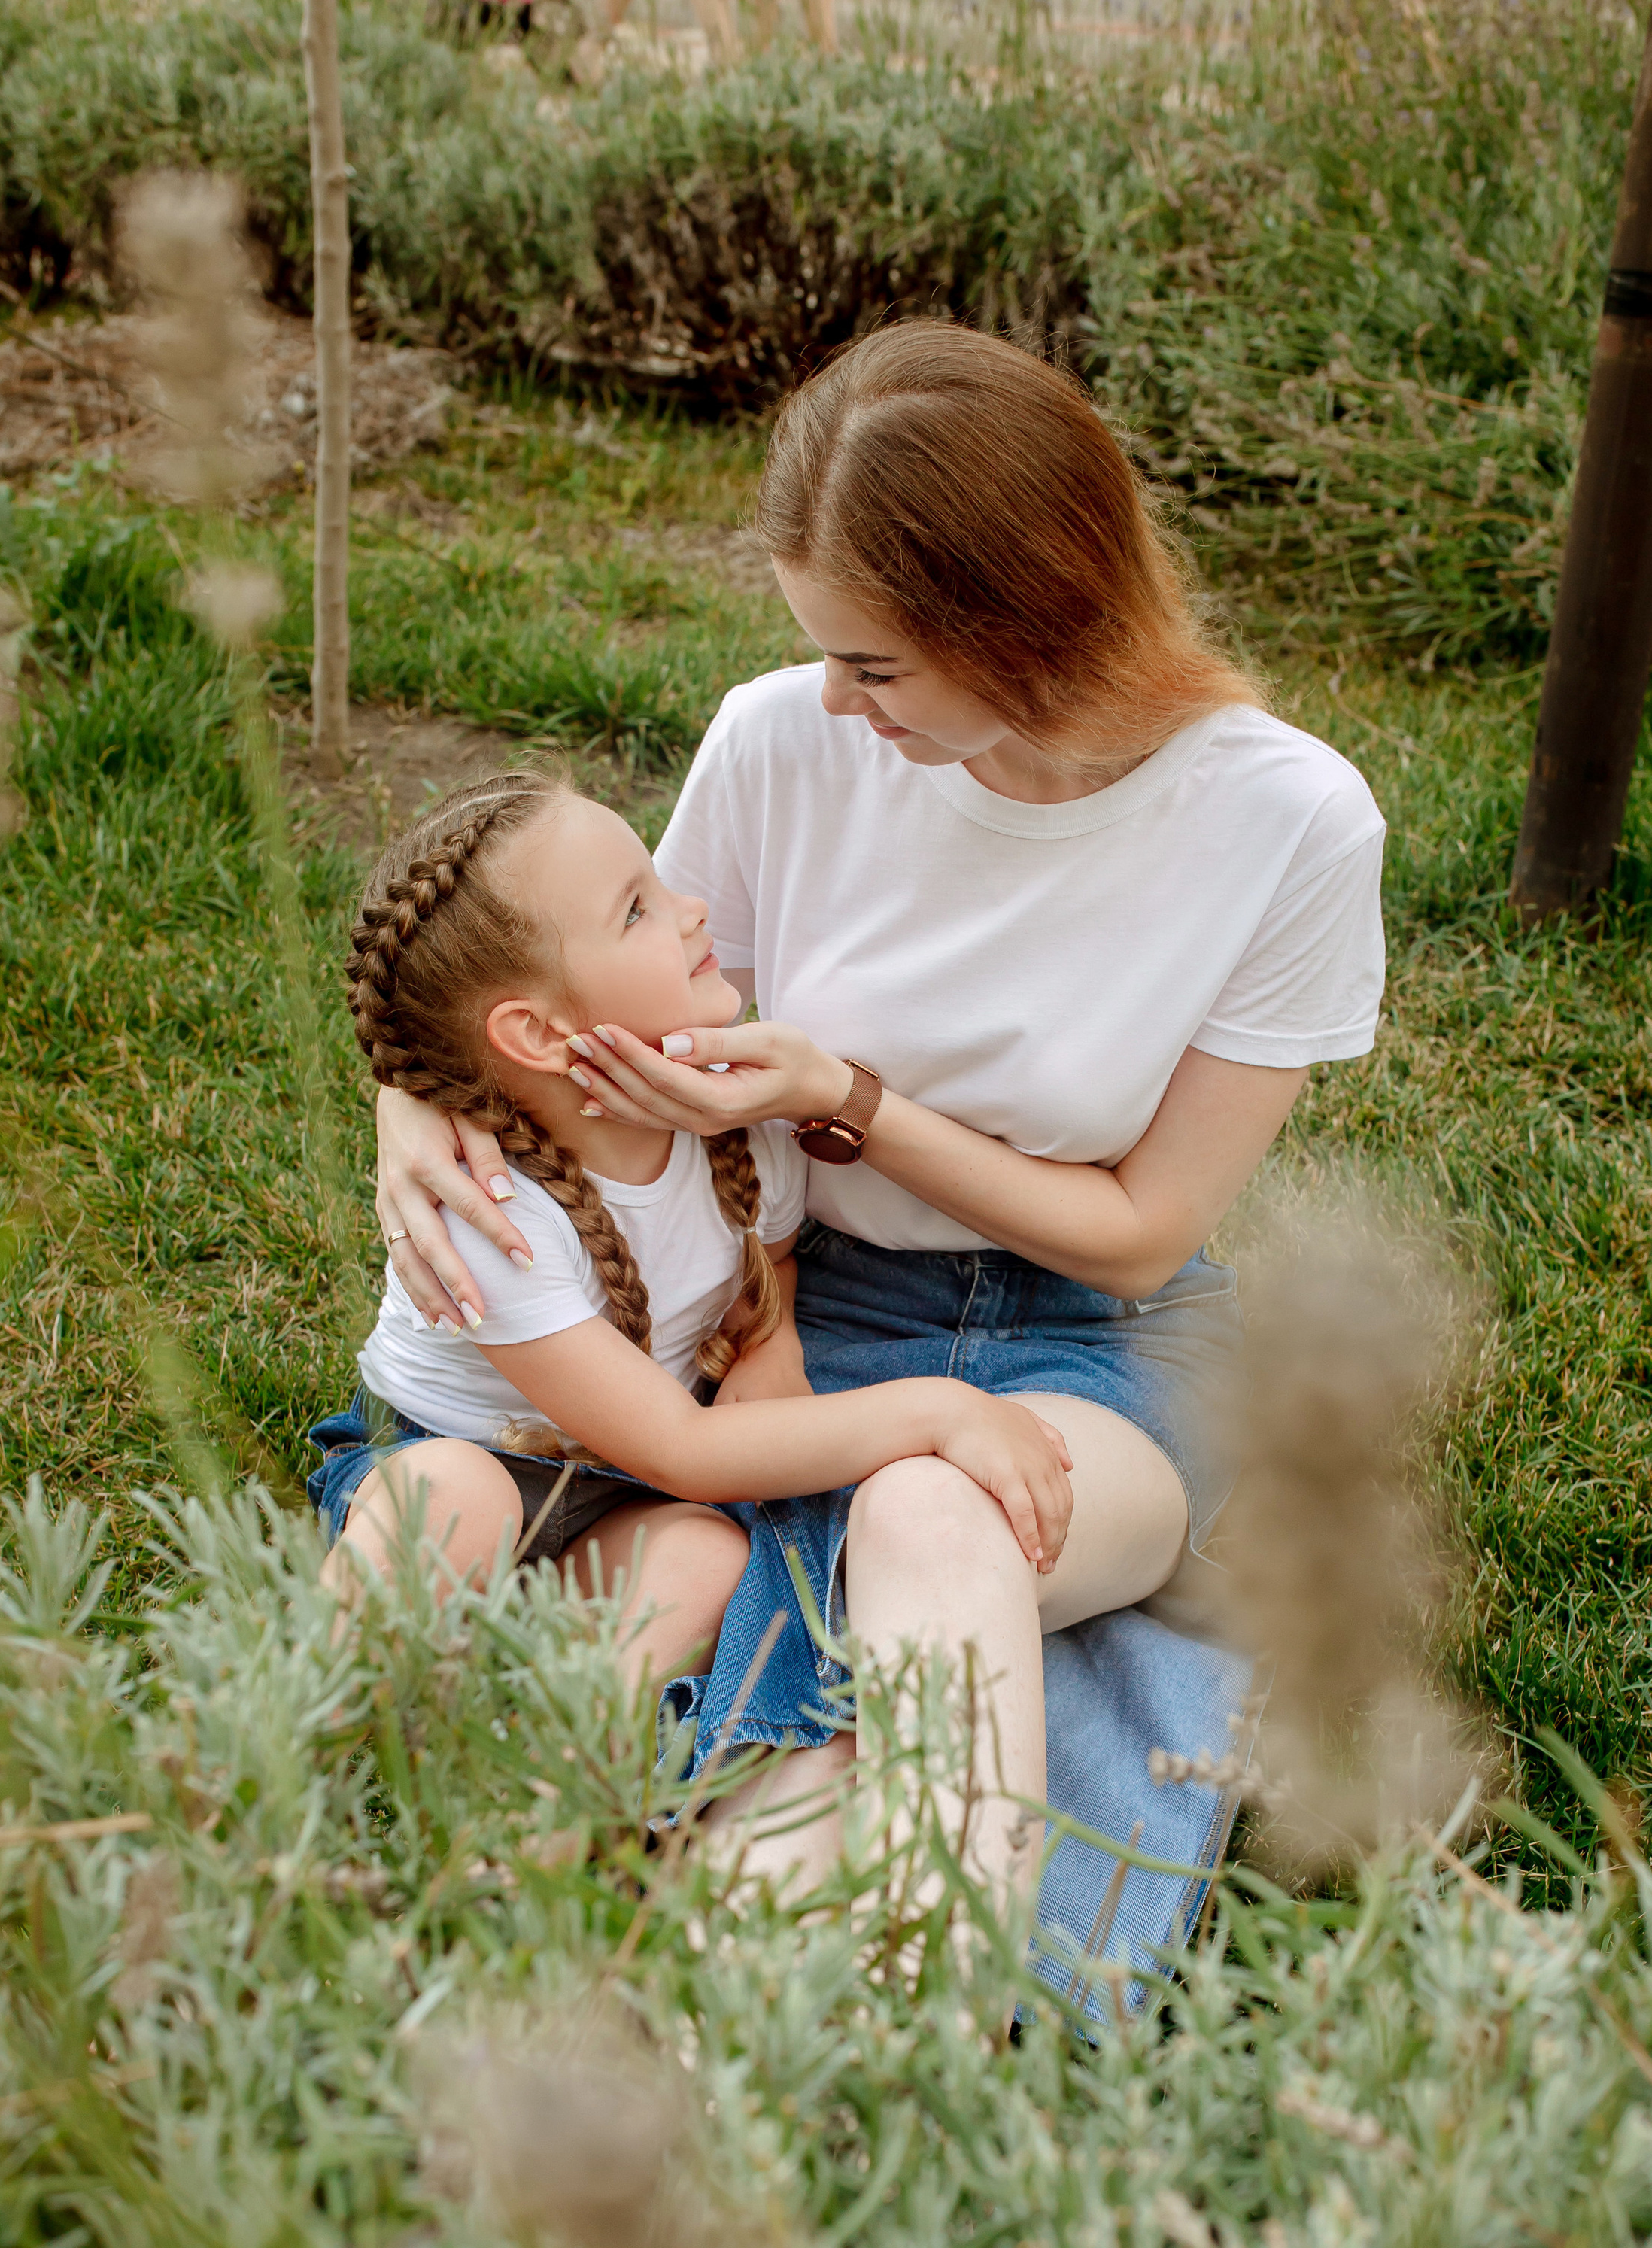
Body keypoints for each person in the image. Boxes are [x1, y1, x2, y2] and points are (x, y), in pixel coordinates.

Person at [371, 323, 1386, 1949]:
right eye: (824, 654)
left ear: (1035, 617)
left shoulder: (1287, 822)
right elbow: (559, 989)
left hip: (1106, 1338)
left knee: (931, 1519)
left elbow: (1139, 1232)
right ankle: (812, 2010)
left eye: (879, 665)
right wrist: (405, 1100)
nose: (838, 704)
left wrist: (844, 1100)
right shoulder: (782, 740)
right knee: (857, 1638)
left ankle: (896, 1994)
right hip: (805, 1310)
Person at [307, 767, 1073, 1696]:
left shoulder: (740, 1126)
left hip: (615, 1503)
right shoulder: (488, 1211)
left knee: (707, 1561)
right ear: (541, 1036)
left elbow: (770, 1260)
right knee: (455, 1505)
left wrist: (770, 1338)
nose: (694, 910)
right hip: (458, 1459)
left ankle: (543, 1794)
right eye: (639, 909)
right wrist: (943, 1412)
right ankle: (319, 1719)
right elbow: (686, 1450)